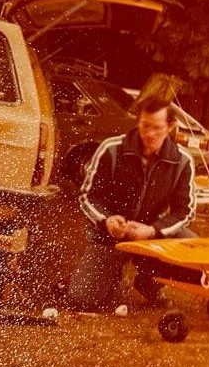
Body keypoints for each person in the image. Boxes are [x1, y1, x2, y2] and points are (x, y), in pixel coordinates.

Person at [67, 96, 196, 312]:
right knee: (83, 300)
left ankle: (149, 281)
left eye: (157, 128)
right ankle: (110, 273)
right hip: (109, 235)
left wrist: (153, 230)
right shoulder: (111, 149)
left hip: (150, 235)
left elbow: (185, 212)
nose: (150, 134)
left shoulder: (182, 160)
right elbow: (87, 196)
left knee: (193, 247)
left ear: (170, 127)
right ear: (138, 121)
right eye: (145, 126)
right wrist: (106, 220)